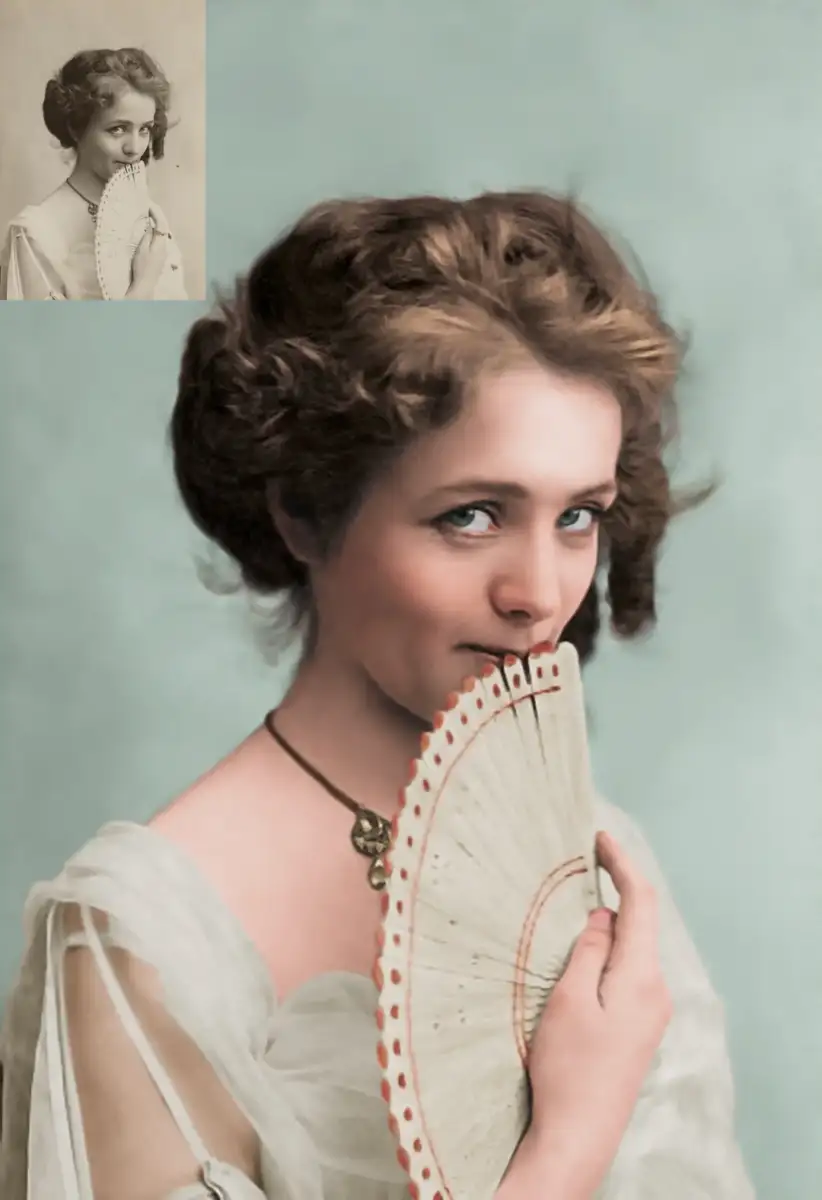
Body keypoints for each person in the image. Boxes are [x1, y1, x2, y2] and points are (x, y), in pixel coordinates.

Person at [0, 191, 755, 1199]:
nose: (539, 595)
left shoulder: (601, 855)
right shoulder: (144, 947)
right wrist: (568, 1145)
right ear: (306, 515)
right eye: (473, 515)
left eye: (578, 517)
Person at [0, 48, 185, 301]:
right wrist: (144, 282)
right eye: (118, 129)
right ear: (76, 127)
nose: (134, 148)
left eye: (145, 129)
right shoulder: (36, 234)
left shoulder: (152, 218)